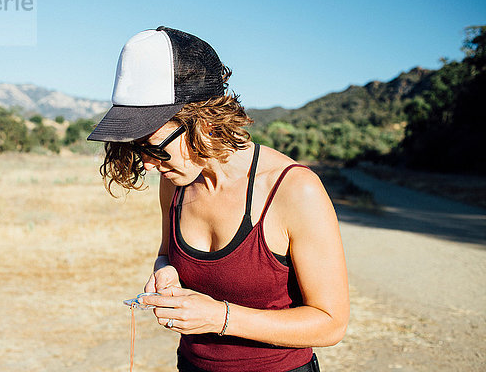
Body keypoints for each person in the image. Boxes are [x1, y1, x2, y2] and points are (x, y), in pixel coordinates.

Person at [88, 26, 349, 372]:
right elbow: (166, 253)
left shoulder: (293, 190)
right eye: (136, 148)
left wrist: (220, 318)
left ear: (205, 123)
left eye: (154, 146)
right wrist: (165, 270)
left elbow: (331, 322)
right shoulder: (177, 182)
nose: (148, 164)